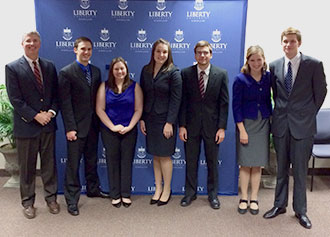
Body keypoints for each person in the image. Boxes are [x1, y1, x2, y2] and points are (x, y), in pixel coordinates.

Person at [263, 27, 327, 229]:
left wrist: (307, 113)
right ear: (281, 43)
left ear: (299, 43)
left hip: (303, 127)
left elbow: (321, 91)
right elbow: (275, 94)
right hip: (281, 125)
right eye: (285, 41)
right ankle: (278, 205)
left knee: (300, 171)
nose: (288, 44)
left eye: (292, 41)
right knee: (281, 169)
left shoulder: (313, 64)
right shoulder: (273, 66)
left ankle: (301, 211)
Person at [5, 31, 59, 219]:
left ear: (40, 43)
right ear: (22, 44)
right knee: (27, 167)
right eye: (28, 41)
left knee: (49, 166)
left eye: (35, 40)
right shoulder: (12, 68)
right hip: (26, 126)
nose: (32, 44)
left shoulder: (49, 67)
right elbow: (15, 99)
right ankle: (28, 203)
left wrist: (50, 113)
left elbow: (55, 96)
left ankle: (51, 199)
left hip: (48, 126)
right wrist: (36, 116)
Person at [58, 36, 108, 216]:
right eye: (82, 49)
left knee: (91, 160)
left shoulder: (95, 71)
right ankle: (72, 200)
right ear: (75, 50)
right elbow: (65, 103)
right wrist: (70, 128)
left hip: (93, 126)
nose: (86, 52)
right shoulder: (66, 72)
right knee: (73, 165)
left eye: (89, 49)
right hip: (76, 128)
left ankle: (93, 189)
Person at [179, 40, 229, 209]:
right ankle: (190, 193)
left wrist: (222, 128)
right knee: (191, 161)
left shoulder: (221, 74)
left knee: (212, 162)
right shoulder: (185, 74)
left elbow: (224, 103)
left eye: (205, 52)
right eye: (199, 52)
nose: (202, 55)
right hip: (191, 126)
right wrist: (182, 125)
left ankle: (213, 195)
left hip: (213, 127)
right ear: (195, 55)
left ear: (211, 54)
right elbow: (183, 102)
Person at [140, 38, 182, 206]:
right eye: (158, 51)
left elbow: (176, 99)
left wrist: (170, 122)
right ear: (153, 52)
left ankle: (167, 189)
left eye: (165, 52)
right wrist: (142, 118)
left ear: (169, 54)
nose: (161, 55)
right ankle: (157, 188)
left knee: (165, 156)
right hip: (150, 118)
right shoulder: (145, 70)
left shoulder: (174, 72)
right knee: (156, 155)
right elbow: (142, 95)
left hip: (165, 120)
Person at [96, 57, 143, 208]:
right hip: (109, 130)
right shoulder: (104, 87)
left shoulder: (135, 87)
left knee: (126, 162)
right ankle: (115, 194)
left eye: (122, 68)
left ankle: (125, 194)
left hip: (129, 130)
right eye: (116, 69)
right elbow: (99, 109)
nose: (120, 71)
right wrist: (112, 126)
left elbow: (139, 109)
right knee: (112, 161)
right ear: (112, 71)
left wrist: (129, 126)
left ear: (126, 70)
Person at [232, 45, 272, 215]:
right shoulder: (240, 79)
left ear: (264, 60)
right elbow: (236, 107)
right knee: (245, 164)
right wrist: (241, 130)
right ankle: (243, 198)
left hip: (263, 124)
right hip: (246, 125)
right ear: (247, 61)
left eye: (259, 59)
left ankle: (254, 198)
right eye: (252, 60)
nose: (256, 63)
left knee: (257, 164)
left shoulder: (269, 77)